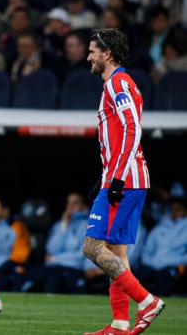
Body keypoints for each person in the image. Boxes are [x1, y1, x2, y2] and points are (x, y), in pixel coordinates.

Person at [82, 28, 164, 335]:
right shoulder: (115, 85)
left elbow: (132, 129)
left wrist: (114, 179)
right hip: (125, 177)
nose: (87, 57)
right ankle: (119, 323)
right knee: (117, 253)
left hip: (125, 180)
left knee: (92, 247)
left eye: (92, 51)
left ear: (108, 54)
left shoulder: (118, 82)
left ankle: (146, 301)